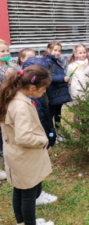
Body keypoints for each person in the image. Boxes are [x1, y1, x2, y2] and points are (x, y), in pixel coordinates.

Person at [0, 65, 55, 225]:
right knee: (29, 194)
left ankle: (21, 222)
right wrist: (42, 140)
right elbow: (24, 137)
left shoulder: (11, 96)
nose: (44, 92)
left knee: (20, 190)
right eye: (43, 89)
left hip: (15, 155)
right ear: (32, 87)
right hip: (24, 157)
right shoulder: (21, 106)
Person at [23, 57, 58, 206]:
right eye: (43, 87)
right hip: (37, 141)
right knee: (35, 170)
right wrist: (47, 138)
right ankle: (37, 196)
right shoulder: (31, 100)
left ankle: (37, 193)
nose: (45, 90)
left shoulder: (36, 95)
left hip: (40, 139)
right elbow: (40, 121)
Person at [0, 39, 21, 181]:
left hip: (10, 102)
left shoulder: (12, 64)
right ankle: (3, 157)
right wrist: (4, 76)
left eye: (7, 50)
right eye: (2, 51)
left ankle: (9, 155)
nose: (6, 53)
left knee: (8, 129)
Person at [43, 41, 72, 128]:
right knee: (51, 113)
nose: (57, 53)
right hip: (52, 92)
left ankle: (58, 129)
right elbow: (49, 77)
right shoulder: (48, 62)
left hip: (58, 92)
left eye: (59, 51)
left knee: (58, 112)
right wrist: (63, 79)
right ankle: (50, 131)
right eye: (55, 50)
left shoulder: (56, 61)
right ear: (48, 50)